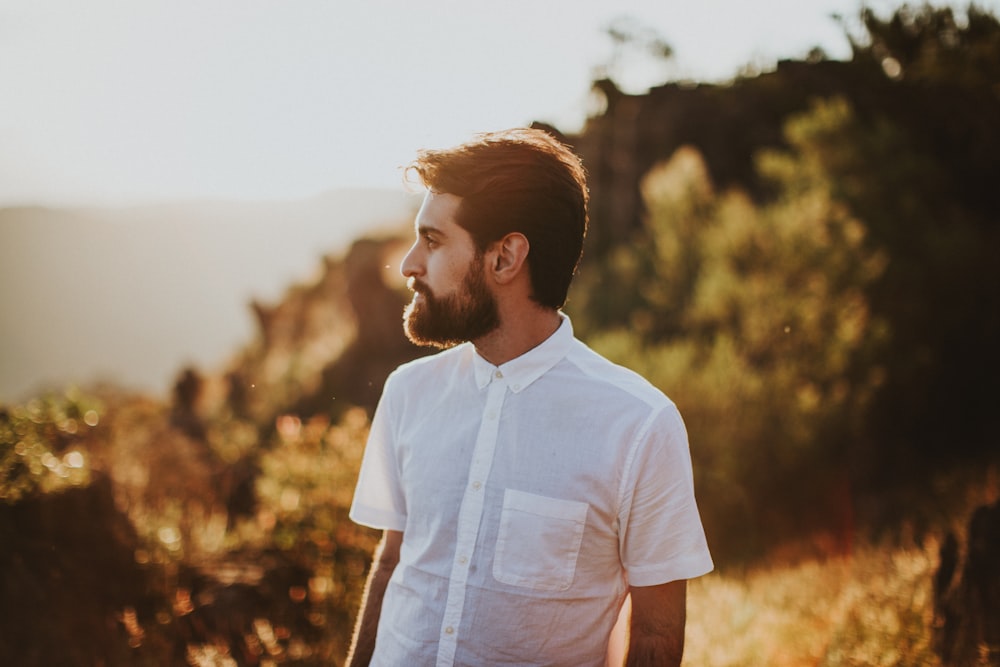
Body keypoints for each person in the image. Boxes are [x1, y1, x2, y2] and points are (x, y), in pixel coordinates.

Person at [346, 128, 713, 667]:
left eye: (433, 240)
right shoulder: (408, 393)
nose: (408, 264)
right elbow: (391, 563)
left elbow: (657, 630)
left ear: (505, 258)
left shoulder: (639, 424)